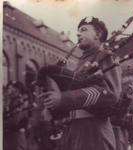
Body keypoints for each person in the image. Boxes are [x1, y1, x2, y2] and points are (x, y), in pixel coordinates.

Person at [38, 16, 122, 150]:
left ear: (98, 35)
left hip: (94, 131)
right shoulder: (81, 62)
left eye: (83, 30)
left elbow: (111, 94)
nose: (78, 33)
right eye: (78, 31)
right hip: (75, 130)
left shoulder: (106, 56)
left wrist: (63, 99)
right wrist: (53, 108)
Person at [3, 81, 28, 150]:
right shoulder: (9, 101)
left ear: (17, 90)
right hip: (8, 137)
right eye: (8, 88)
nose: (8, 91)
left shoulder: (21, 102)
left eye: (10, 88)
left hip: (16, 138)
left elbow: (15, 121)